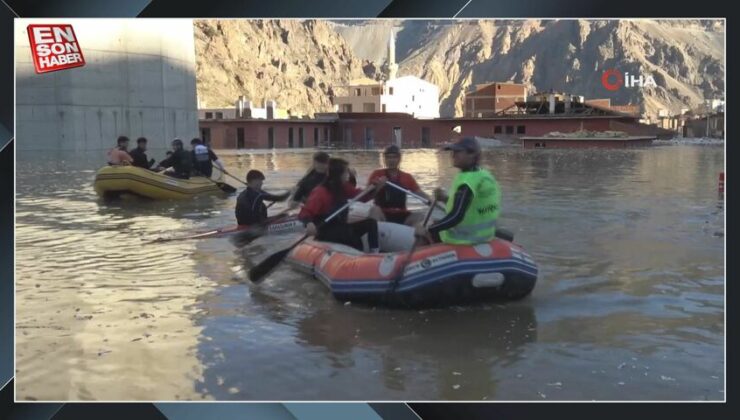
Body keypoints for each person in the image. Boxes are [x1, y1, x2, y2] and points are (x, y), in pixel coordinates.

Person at [414, 137, 501, 245]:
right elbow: (470, 205)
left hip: (465, 239)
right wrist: (445, 199)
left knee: (423, 231)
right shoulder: (483, 175)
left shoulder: (467, 182)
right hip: (483, 236)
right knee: (435, 222)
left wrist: (428, 229)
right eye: (453, 151)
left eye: (458, 152)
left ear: (472, 154)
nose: (453, 155)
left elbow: (456, 217)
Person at [299, 158, 381, 253]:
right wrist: (308, 223)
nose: (347, 175)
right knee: (352, 236)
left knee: (371, 223)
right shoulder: (320, 192)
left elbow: (362, 197)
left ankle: (375, 252)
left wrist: (375, 188)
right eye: (346, 172)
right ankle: (359, 255)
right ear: (339, 174)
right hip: (325, 231)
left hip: (341, 226)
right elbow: (305, 212)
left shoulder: (344, 187)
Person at [367, 145, 432, 225]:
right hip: (382, 213)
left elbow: (419, 193)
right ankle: (377, 231)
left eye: (394, 157)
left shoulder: (407, 177)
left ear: (399, 159)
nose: (391, 160)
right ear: (384, 159)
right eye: (388, 157)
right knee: (374, 210)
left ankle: (413, 233)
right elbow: (367, 196)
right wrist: (379, 186)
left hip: (401, 214)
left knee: (420, 217)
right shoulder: (376, 174)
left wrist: (431, 201)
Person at [289, 152, 358, 208]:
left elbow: (293, 203)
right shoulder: (335, 176)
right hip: (320, 210)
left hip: (320, 209)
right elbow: (351, 188)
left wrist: (296, 199)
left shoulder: (307, 180)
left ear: (315, 163)